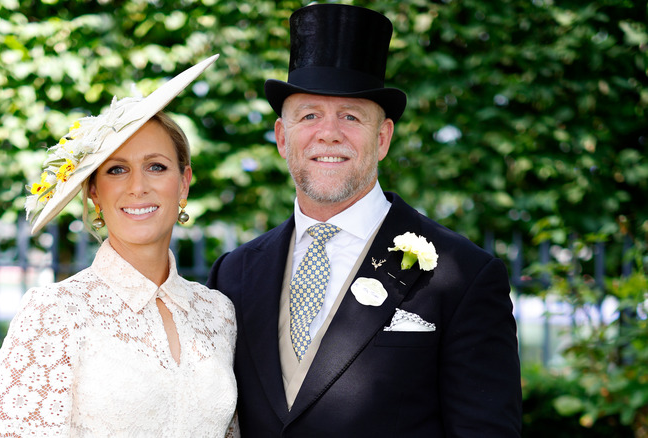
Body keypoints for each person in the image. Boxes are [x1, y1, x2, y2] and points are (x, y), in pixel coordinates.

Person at [207, 4, 521, 437]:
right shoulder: (233, 274)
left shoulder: (464, 274)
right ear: (283, 137)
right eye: (310, 115)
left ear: (383, 137)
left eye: (351, 116)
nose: (329, 133)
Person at [0, 55, 240, 437]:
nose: (138, 186)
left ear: (184, 183)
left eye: (156, 166)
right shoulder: (54, 313)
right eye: (116, 169)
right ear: (94, 193)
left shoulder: (219, 314)